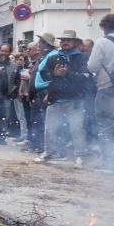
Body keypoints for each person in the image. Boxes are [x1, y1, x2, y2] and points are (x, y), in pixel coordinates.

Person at [36, 29, 91, 167]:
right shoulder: (53, 57)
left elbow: (85, 77)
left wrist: (67, 73)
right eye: (63, 40)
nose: (65, 42)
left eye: (68, 40)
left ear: (75, 42)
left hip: (75, 101)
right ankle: (48, 152)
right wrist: (54, 74)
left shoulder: (83, 57)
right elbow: (44, 74)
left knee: (76, 129)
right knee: (49, 128)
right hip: (55, 99)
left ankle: (80, 156)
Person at [88, 13, 114, 174]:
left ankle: (108, 162)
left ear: (105, 27)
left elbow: (92, 67)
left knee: (104, 125)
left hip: (107, 88)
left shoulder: (102, 42)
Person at [0, 43, 19, 144]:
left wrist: (13, 93)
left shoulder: (14, 65)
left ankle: (0, 138)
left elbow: (17, 80)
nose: (4, 53)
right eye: (2, 50)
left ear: (10, 52)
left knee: (4, 118)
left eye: (6, 51)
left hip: (6, 95)